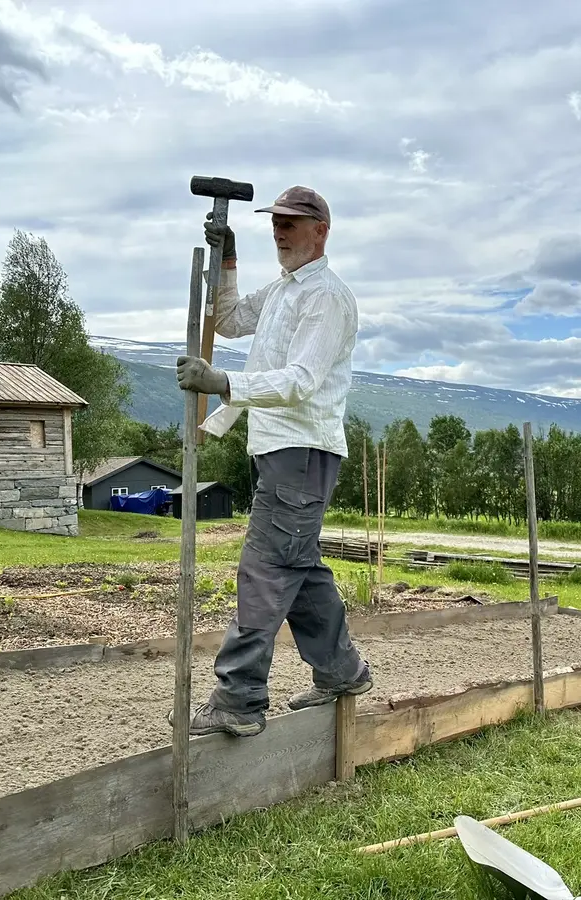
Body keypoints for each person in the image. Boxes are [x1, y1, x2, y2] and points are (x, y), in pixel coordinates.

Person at [171, 185, 372, 737]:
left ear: (321, 231)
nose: (281, 231)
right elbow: (231, 320)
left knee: (265, 570)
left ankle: (238, 700)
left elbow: (303, 381)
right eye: (276, 222)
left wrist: (224, 381)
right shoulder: (285, 290)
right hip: (283, 451)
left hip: (301, 451)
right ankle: (341, 672)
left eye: (292, 222)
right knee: (298, 568)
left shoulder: (324, 297)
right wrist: (227, 259)